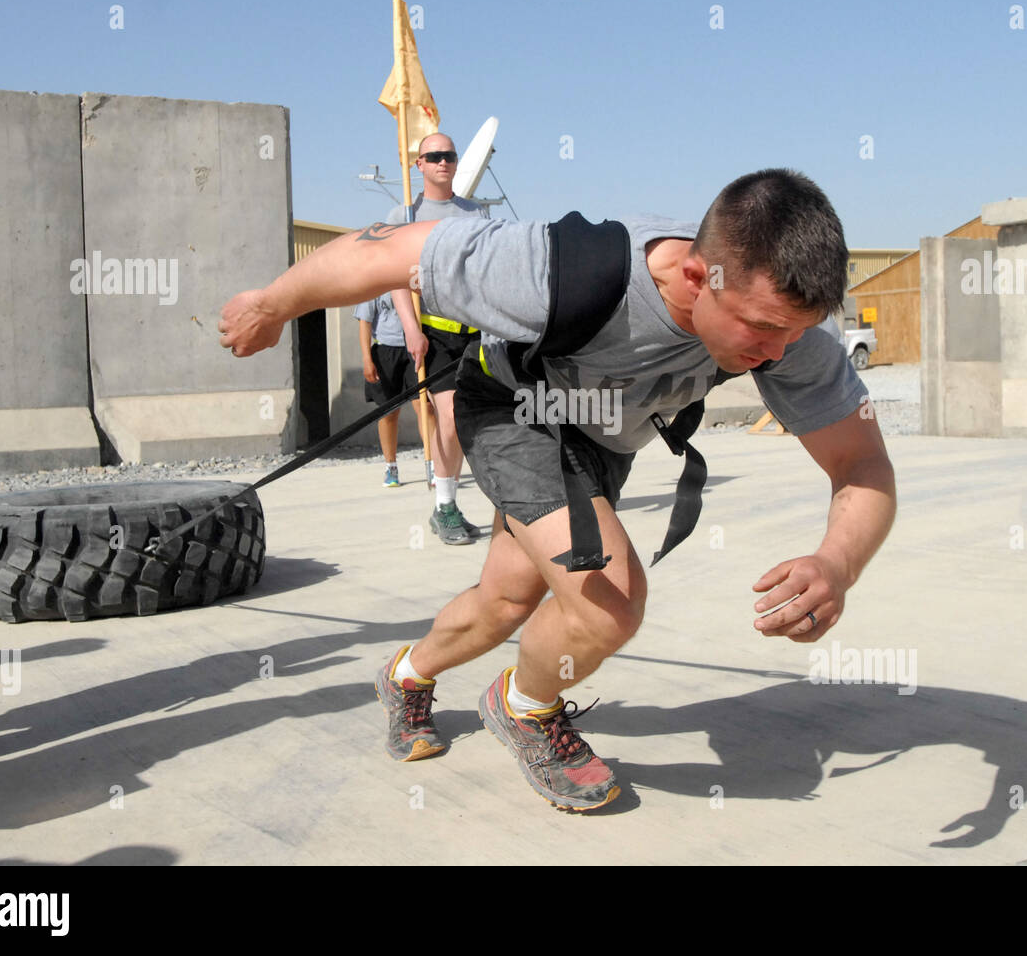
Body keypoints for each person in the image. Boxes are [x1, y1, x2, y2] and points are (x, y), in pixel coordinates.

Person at [219, 168, 897, 812]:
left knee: (506, 600)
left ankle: (404, 676)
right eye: (764, 329)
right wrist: (273, 305)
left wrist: (837, 562)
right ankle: (526, 708)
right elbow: (391, 250)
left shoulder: (790, 330)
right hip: (515, 409)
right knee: (609, 602)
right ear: (698, 275)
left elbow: (861, 465)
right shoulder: (562, 268)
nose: (778, 355)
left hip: (600, 444)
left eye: (797, 332)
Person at [386, 132, 485, 544]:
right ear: (419, 165)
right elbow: (393, 277)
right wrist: (411, 327)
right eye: (435, 156)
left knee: (469, 421)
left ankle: (459, 504)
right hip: (436, 335)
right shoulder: (404, 215)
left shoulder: (476, 213)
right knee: (449, 415)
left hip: (477, 333)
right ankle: (444, 506)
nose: (443, 162)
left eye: (449, 155)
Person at [355, 293, 425, 487]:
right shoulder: (375, 282)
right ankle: (391, 466)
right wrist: (367, 359)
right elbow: (365, 322)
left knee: (424, 407)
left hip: (415, 349)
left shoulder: (413, 278)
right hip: (386, 350)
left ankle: (434, 464)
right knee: (388, 413)